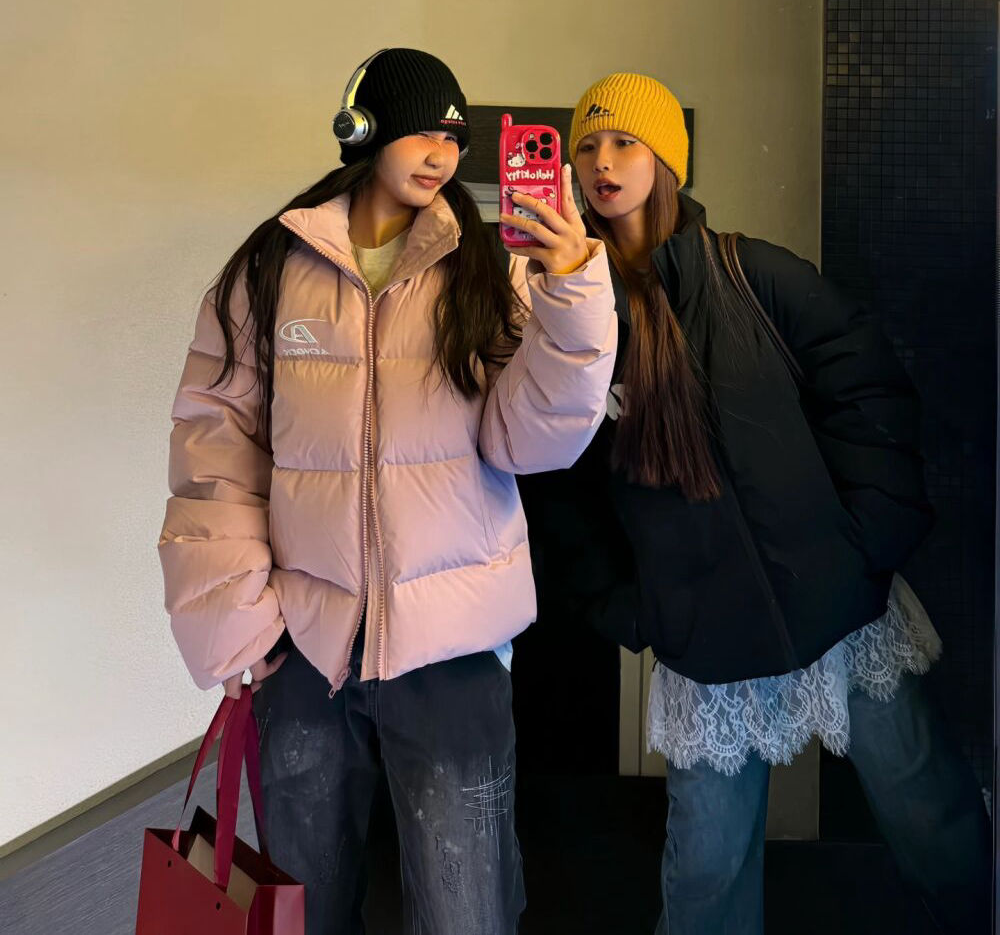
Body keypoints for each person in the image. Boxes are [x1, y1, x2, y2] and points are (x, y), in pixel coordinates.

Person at [157, 48, 616, 934]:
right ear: (362, 130)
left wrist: (571, 296)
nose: (443, 154)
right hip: (304, 646)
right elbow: (216, 440)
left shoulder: (484, 268)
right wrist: (238, 617)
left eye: (455, 138)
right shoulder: (271, 266)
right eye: (422, 132)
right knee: (305, 908)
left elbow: (533, 441)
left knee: (464, 914)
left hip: (453, 652)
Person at [539, 71, 992, 935]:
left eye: (625, 141)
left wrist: (867, 541)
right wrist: (633, 608)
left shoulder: (751, 272)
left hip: (842, 604)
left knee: (930, 813)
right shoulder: (567, 314)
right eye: (586, 145)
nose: (602, 162)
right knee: (707, 870)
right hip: (706, 642)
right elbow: (558, 488)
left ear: (667, 160)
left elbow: (868, 388)